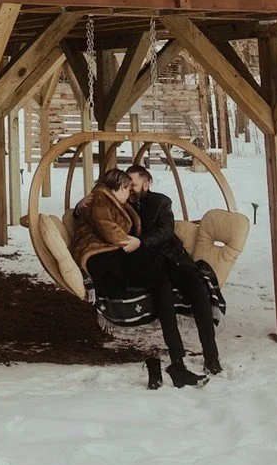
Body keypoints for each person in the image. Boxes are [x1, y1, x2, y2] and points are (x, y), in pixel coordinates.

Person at [69, 166, 207, 389]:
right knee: (160, 266)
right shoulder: (100, 201)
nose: (130, 193)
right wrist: (135, 244)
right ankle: (176, 364)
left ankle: (176, 363)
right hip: (104, 261)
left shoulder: (114, 201)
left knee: (161, 281)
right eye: (127, 188)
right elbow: (110, 232)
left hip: (113, 256)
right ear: (120, 187)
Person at [124, 161, 223, 379]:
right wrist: (82, 205)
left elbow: (166, 230)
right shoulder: (121, 203)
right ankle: (177, 359)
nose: (129, 188)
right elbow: (95, 210)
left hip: (174, 258)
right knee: (164, 298)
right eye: (126, 184)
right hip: (149, 265)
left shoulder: (160, 202)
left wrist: (141, 241)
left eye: (133, 183)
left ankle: (211, 355)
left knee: (199, 291)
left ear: (146, 183)